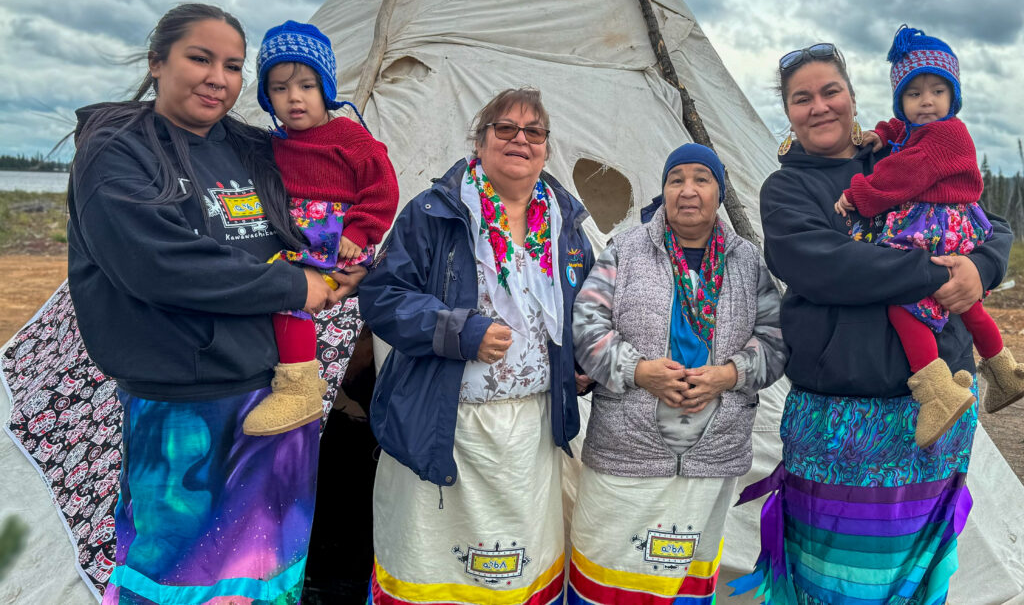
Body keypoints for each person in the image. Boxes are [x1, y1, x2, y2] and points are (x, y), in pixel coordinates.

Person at [67, 3, 355, 604]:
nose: (217, 78)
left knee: (271, 567)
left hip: (277, 389)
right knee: (176, 576)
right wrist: (293, 286)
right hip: (183, 404)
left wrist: (336, 263)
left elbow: (313, 203)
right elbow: (159, 264)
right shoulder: (118, 151)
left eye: (232, 65)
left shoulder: (251, 148)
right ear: (157, 62)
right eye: (199, 58)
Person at [732, 42, 1013, 604]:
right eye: (801, 98)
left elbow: (988, 222)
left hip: (931, 417)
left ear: (853, 97)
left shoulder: (902, 158)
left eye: (830, 91)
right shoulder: (787, 190)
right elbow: (826, 267)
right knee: (835, 575)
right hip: (839, 420)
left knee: (916, 571)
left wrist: (979, 268)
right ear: (788, 112)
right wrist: (933, 272)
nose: (820, 107)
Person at [358, 88, 593, 605]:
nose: (520, 140)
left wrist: (579, 366)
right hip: (445, 425)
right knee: (434, 568)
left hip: (528, 437)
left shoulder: (566, 225)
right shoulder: (434, 212)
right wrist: (457, 332)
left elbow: (580, 312)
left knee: (515, 569)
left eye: (534, 132)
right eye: (505, 128)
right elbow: (381, 296)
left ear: (546, 148)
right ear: (480, 140)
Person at [568, 143, 786, 604]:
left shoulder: (747, 261)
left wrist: (728, 374)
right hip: (626, 455)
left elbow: (775, 340)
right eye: (676, 179)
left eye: (701, 179)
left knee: (681, 583)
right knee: (608, 580)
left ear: (719, 192)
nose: (688, 191)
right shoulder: (625, 251)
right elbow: (586, 327)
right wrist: (639, 370)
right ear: (664, 189)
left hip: (710, 459)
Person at [833, 26, 1024, 446]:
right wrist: (883, 134)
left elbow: (903, 174)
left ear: (953, 97)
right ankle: (1003, 370)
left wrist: (858, 194)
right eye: (913, 93)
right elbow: (901, 134)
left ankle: (936, 392)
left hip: (932, 226)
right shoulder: (923, 131)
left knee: (904, 302)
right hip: (953, 227)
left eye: (937, 91)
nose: (926, 101)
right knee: (963, 301)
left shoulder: (943, 136)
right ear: (901, 101)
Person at [241, 20, 399, 436]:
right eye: (279, 88)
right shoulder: (274, 144)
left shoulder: (350, 137)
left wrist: (361, 232)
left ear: (325, 88)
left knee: (287, 296)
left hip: (337, 241)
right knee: (265, 286)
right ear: (266, 95)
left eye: (307, 86)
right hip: (297, 238)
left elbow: (382, 188)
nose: (294, 98)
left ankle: (299, 390)